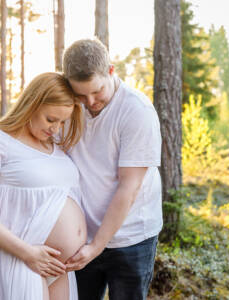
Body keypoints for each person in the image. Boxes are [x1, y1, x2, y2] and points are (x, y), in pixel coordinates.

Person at [0, 72, 87, 300]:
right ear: (32, 104)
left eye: (62, 122)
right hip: (23, 258)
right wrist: (29, 254)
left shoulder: (56, 146)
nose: (56, 129)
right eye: (51, 119)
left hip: (59, 268)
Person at [62, 39, 162, 300]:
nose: (90, 101)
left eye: (97, 92)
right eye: (81, 95)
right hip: (80, 237)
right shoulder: (68, 106)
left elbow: (129, 187)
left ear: (111, 71)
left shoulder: (136, 111)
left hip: (132, 240)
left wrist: (96, 246)